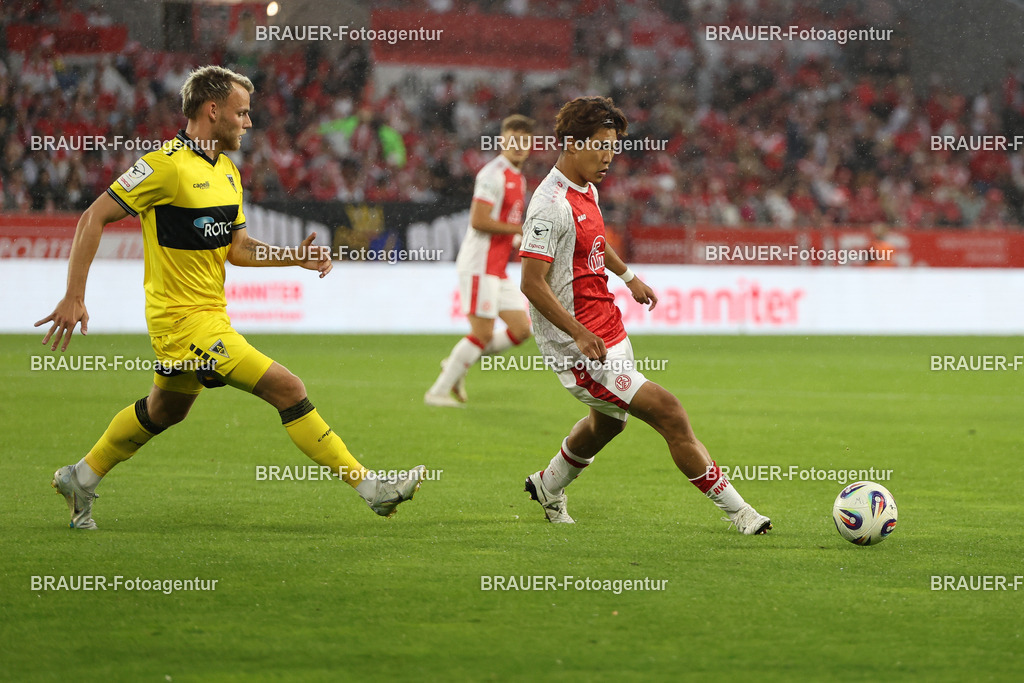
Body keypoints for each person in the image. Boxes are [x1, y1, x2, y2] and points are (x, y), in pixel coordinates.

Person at [37, 65, 424, 529]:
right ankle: (372, 489)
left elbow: (237, 249)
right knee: (289, 388)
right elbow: (91, 218)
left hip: (209, 316)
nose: (249, 122)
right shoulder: (165, 166)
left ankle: (80, 478)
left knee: (166, 409)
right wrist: (74, 295)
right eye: (241, 113)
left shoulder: (227, 172)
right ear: (212, 109)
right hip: (182, 322)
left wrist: (291, 258)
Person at [518, 96, 771, 534]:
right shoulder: (549, 205)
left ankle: (548, 484)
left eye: (613, 147)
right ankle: (740, 512)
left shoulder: (587, 190)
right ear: (572, 143)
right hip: (580, 349)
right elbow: (531, 283)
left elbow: (594, 244)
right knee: (669, 411)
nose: (608, 157)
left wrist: (628, 276)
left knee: (607, 426)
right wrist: (577, 333)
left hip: (609, 329)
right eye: (600, 146)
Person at [425, 114, 535, 407]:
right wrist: (519, 229)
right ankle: (436, 392)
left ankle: (456, 363)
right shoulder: (492, 174)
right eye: (513, 141)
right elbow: (478, 220)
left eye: (525, 141)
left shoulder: (519, 179)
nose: (519, 146)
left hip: (497, 268)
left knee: (521, 329)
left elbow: (505, 225)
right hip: (479, 264)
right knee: (483, 333)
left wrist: (519, 239)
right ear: (502, 141)